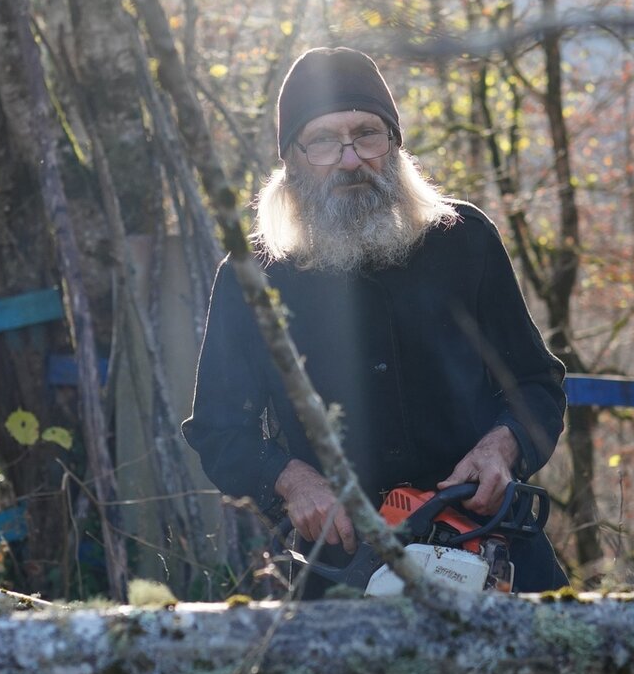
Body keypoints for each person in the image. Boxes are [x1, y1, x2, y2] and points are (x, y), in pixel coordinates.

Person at [182, 46, 568, 593]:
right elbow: (220, 430)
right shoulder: (253, 275)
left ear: (394, 145)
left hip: (491, 548)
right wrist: (291, 481)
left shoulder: (465, 240)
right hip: (341, 571)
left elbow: (536, 384)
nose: (349, 158)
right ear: (291, 159)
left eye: (367, 133)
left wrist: (501, 447)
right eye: (323, 141)